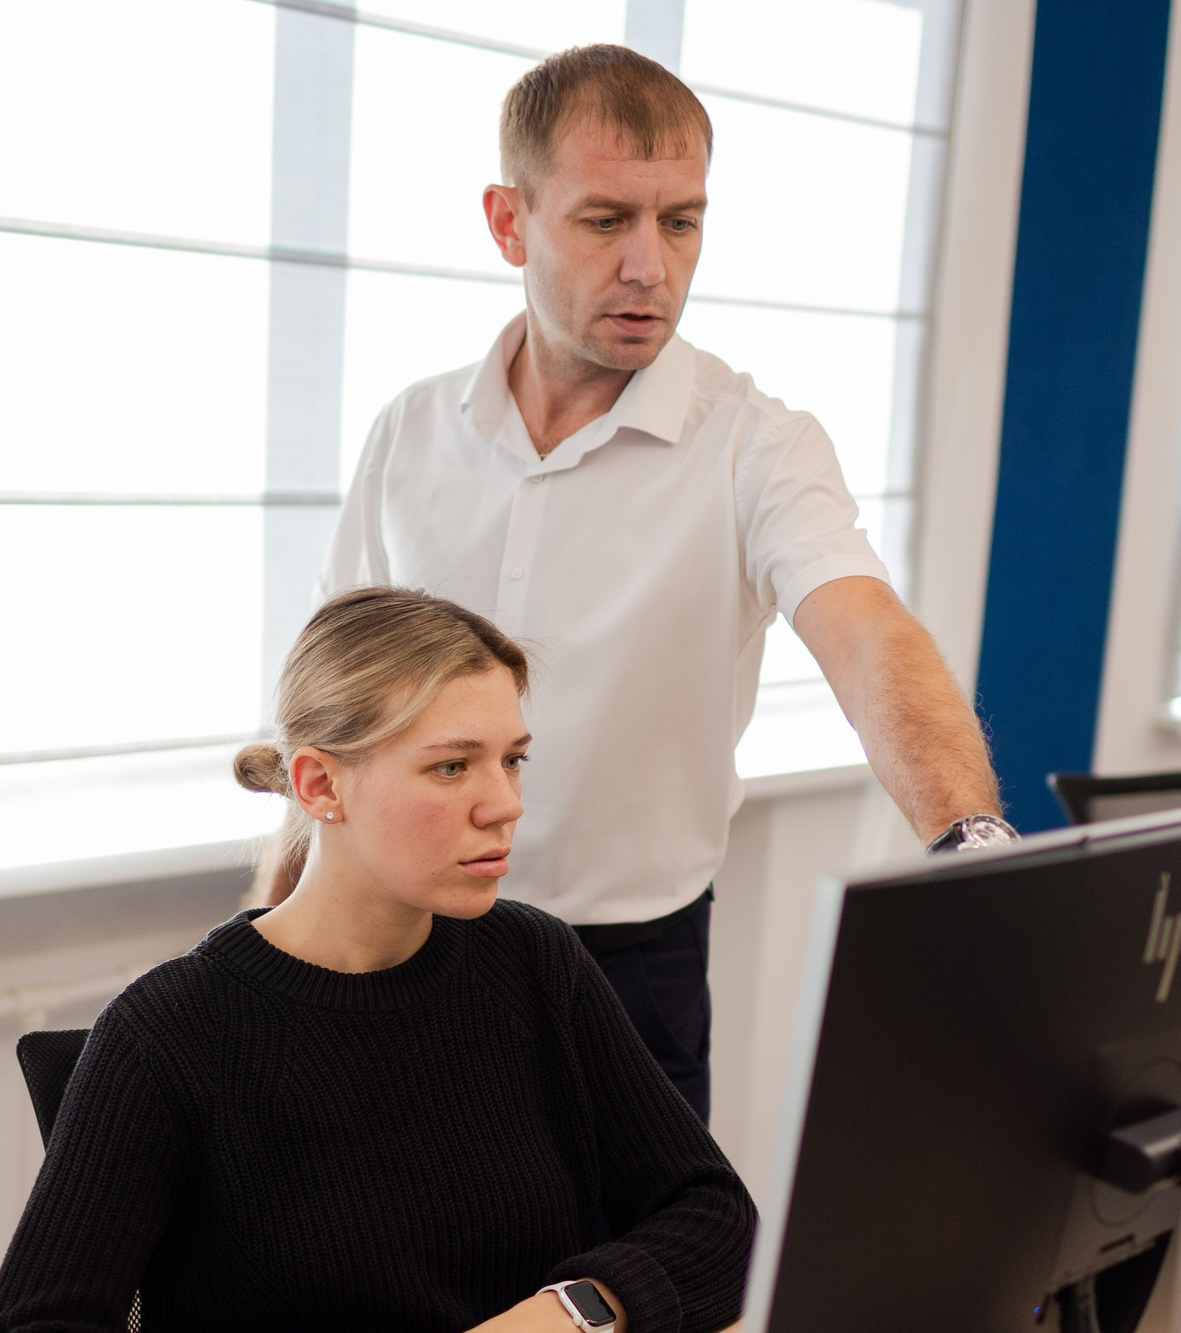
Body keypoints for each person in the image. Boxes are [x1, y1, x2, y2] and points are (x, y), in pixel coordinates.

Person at [0, 587, 757, 1333]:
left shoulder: (534, 964)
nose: (504, 803)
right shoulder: (169, 1036)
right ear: (320, 784)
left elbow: (715, 1216)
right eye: (451, 766)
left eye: (512, 759)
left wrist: (558, 1319)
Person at [315, 44, 1015, 1122]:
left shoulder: (758, 447)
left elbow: (863, 630)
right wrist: (275, 931)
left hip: (629, 970)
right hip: (400, 939)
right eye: (606, 221)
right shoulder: (409, 432)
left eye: (680, 222)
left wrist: (973, 847)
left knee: (660, 1236)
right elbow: (334, 715)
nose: (650, 265)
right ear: (509, 222)